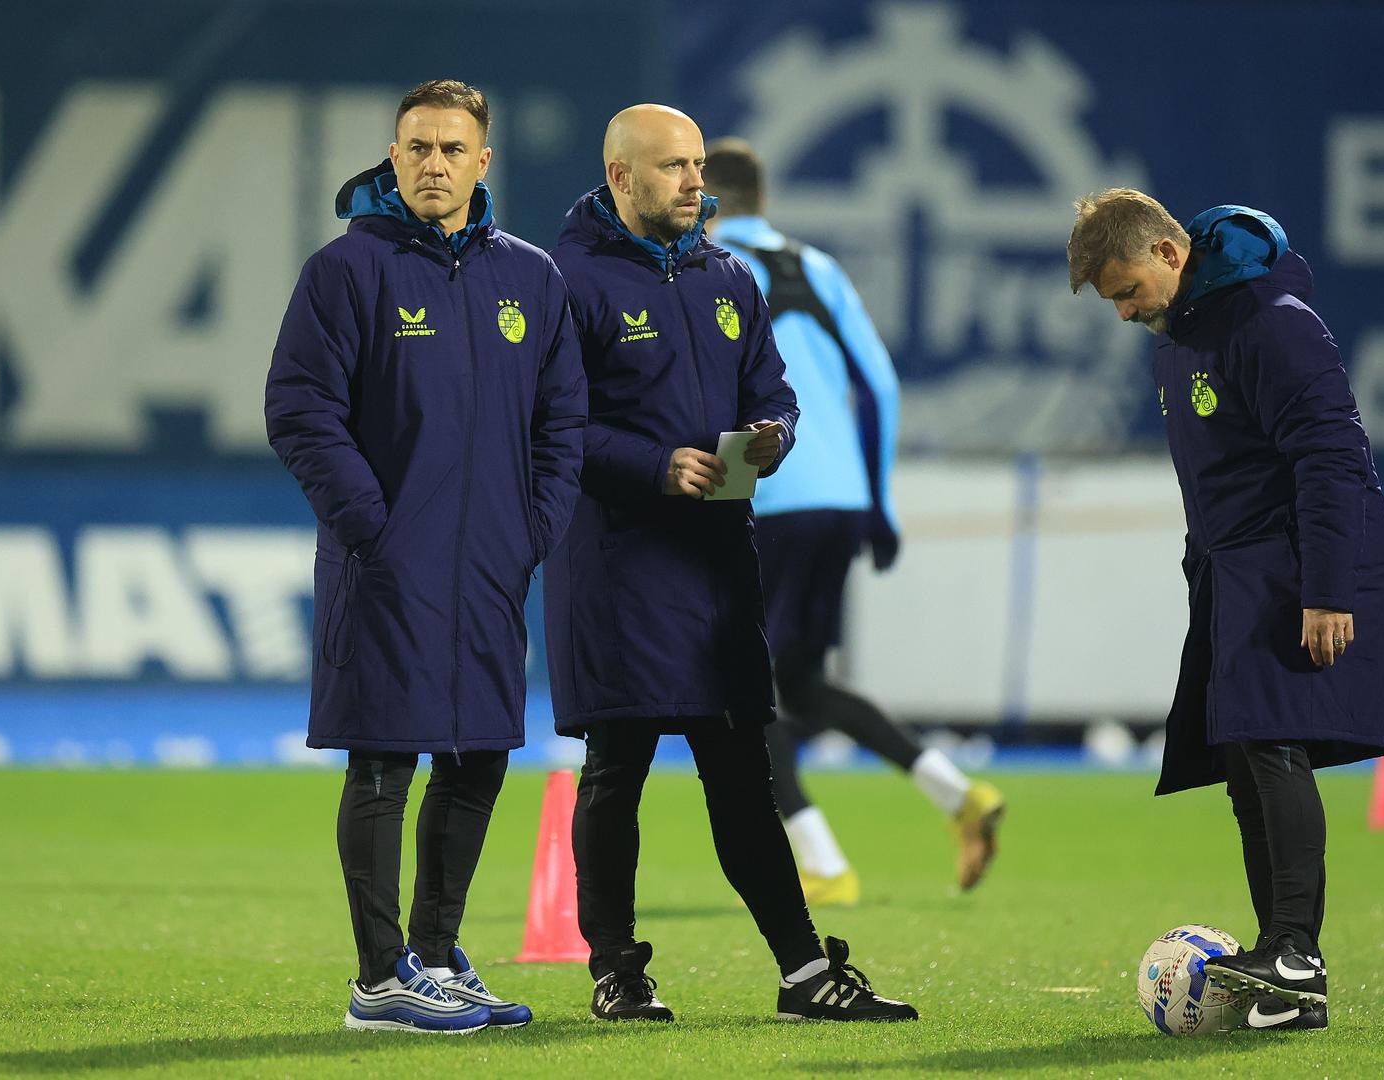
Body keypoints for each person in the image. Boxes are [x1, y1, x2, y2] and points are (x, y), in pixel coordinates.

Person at [543, 104, 916, 1024]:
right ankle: (618, 972)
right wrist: (652, 463)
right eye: (673, 167)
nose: (694, 182)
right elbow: (553, 427)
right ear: (621, 177)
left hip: (717, 564)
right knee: (616, 766)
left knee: (741, 769)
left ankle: (802, 972)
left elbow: (775, 391)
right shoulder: (567, 282)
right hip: (618, 563)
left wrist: (773, 435)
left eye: (699, 165)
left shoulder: (731, 277)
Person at [266, 79, 586, 1034]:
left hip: (492, 567)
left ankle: (437, 955)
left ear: (484, 163)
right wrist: (371, 521)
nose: (435, 164)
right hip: (384, 563)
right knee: (382, 760)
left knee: (479, 755)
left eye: (453, 149)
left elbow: (562, 420)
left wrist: (533, 530)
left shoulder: (530, 278)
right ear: (392, 159)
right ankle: (378, 981)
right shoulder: (345, 272)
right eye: (418, 148)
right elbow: (299, 411)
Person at [1066, 189, 1384, 1033]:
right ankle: (1290, 974)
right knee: (1248, 756)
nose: (1124, 312)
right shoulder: (1179, 343)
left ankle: (1295, 951)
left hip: (1296, 567)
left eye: (1127, 290)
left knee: (1273, 743)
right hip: (1233, 573)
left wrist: (1328, 588)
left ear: (1170, 255)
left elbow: (1330, 456)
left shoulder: (1272, 322)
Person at [703, 138, 1005, 906]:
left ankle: (821, 859)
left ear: (703, 196)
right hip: (839, 501)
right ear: (763, 197)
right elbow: (879, 385)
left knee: (746, 689)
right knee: (799, 683)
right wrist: (877, 498)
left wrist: (721, 504)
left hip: (765, 499)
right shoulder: (819, 268)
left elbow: (718, 398)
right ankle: (955, 792)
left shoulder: (707, 272)